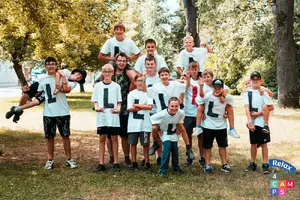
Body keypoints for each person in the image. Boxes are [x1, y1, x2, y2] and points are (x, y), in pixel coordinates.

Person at [35, 57, 77, 169]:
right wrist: (27, 92)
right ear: (45, 66)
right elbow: (38, 94)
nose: (50, 66)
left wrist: (63, 76)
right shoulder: (42, 79)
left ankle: (69, 158)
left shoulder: (63, 76)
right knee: (49, 137)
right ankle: (50, 159)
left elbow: (67, 88)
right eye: (48, 64)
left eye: (53, 64)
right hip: (48, 112)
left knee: (65, 136)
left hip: (62, 111)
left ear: (56, 65)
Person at [146, 67, 195, 161]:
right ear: (159, 76)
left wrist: (188, 78)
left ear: (169, 75)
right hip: (162, 113)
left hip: (174, 112)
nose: (164, 76)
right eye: (162, 75)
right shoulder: (156, 87)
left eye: (166, 74)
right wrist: (144, 80)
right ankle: (156, 145)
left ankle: (188, 149)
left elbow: (187, 87)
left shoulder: (175, 84)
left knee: (182, 128)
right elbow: (146, 90)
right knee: (155, 129)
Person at [5, 69, 86, 120]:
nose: (78, 76)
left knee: (36, 102)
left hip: (48, 89)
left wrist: (62, 81)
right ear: (75, 72)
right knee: (25, 95)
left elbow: (65, 89)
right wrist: (58, 85)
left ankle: (16, 109)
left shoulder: (73, 84)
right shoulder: (67, 71)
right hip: (42, 82)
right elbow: (58, 73)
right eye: (78, 74)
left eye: (80, 77)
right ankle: (19, 111)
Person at [198, 78, 233, 173]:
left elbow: (230, 107)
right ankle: (208, 164)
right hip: (208, 124)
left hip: (221, 125)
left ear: (222, 88)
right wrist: (202, 112)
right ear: (212, 88)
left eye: (219, 88)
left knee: (222, 145)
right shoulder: (208, 95)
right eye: (215, 88)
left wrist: (226, 113)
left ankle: (224, 164)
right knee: (207, 146)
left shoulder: (227, 97)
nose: (217, 90)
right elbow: (199, 101)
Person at [193, 69, 240, 139]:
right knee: (200, 106)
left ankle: (232, 129)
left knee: (229, 108)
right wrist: (201, 87)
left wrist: (222, 96)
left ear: (212, 77)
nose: (206, 79)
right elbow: (201, 97)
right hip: (208, 106)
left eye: (208, 77)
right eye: (204, 77)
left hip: (219, 105)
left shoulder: (217, 83)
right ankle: (198, 127)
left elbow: (226, 89)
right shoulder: (203, 86)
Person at [91, 64, 122, 171]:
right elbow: (95, 101)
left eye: (109, 72)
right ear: (102, 73)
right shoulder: (98, 86)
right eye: (105, 72)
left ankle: (116, 162)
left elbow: (119, 102)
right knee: (102, 138)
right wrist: (97, 108)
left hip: (113, 115)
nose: (107, 74)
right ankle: (101, 162)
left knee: (114, 138)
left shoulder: (116, 86)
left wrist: (118, 109)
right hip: (102, 115)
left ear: (113, 73)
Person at [244, 71, 273, 174]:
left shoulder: (263, 92)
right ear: (250, 81)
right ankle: (252, 162)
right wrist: (249, 120)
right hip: (253, 122)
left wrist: (259, 114)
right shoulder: (247, 93)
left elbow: (270, 107)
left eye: (257, 79)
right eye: (253, 79)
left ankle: (265, 164)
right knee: (253, 143)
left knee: (264, 143)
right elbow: (247, 108)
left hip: (262, 122)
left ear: (260, 81)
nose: (255, 81)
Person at [150, 97, 185, 175]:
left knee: (175, 149)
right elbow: (152, 119)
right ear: (168, 105)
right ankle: (163, 169)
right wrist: (158, 128)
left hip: (173, 133)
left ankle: (176, 167)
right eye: (172, 106)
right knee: (167, 148)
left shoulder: (181, 113)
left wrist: (179, 128)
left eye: (176, 106)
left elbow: (180, 121)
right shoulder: (162, 114)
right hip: (165, 132)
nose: (174, 108)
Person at [182, 61, 205, 167]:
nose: (194, 71)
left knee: (201, 136)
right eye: (192, 69)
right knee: (188, 135)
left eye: (195, 69)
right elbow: (185, 89)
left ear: (198, 69)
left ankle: (202, 157)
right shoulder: (186, 80)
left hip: (199, 112)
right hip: (188, 112)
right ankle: (189, 156)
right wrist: (187, 78)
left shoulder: (202, 80)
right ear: (189, 70)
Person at [127, 74, 153, 170]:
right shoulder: (132, 94)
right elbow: (129, 108)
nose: (140, 82)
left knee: (145, 144)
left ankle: (147, 161)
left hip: (145, 124)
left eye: (142, 80)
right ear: (135, 82)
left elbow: (150, 107)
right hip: (133, 124)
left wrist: (137, 105)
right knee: (133, 143)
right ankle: (133, 162)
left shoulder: (148, 93)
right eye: (138, 80)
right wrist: (143, 106)